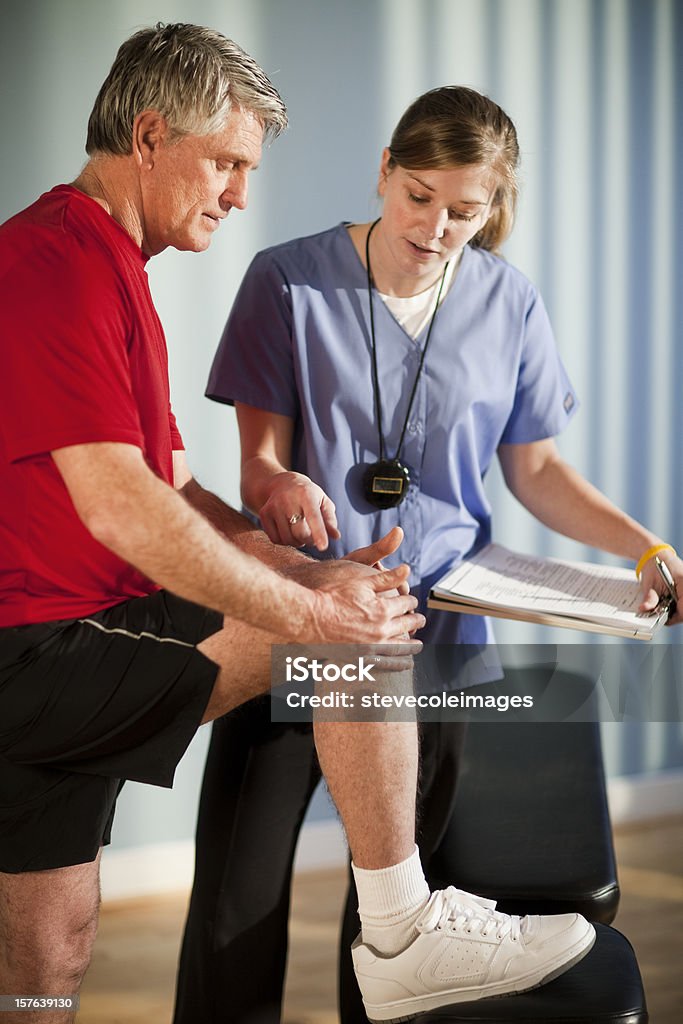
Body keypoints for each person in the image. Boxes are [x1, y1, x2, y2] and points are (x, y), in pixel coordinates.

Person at [0, 30, 601, 1024]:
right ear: (150, 136)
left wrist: (305, 573)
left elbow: (179, 491)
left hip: (73, 630)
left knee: (45, 953)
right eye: (227, 163)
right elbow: (122, 504)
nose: (239, 193)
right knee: (353, 642)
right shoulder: (60, 263)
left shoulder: (111, 268)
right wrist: (305, 607)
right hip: (47, 646)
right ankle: (403, 931)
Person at [175, 85, 683, 1024]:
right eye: (418, 196)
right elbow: (257, 464)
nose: (436, 226)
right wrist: (280, 489)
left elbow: (536, 473)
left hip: (442, 639)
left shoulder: (506, 300)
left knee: (399, 915)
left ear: (492, 207)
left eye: (464, 208)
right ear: (383, 172)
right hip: (302, 620)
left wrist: (647, 545)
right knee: (236, 904)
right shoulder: (287, 283)